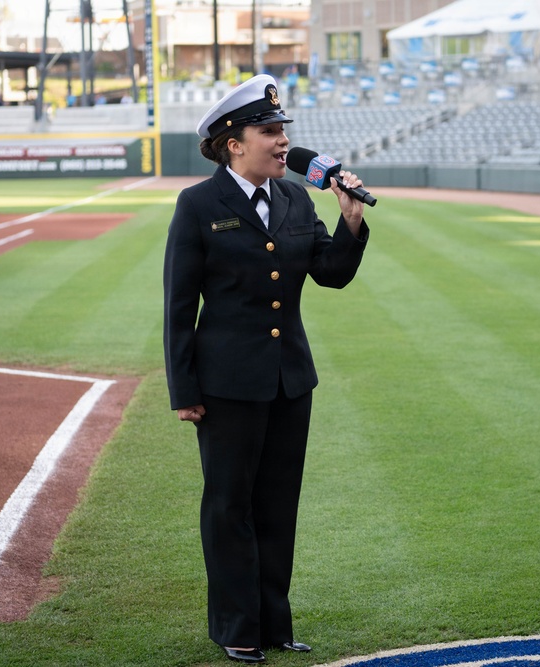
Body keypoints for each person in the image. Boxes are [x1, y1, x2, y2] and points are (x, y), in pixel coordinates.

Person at [162, 74, 370, 664]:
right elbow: (179, 305)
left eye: (283, 131)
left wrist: (351, 219)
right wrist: (184, 389)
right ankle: (238, 627)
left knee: (278, 505)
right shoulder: (199, 204)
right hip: (226, 385)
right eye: (270, 132)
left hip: (289, 381)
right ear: (234, 144)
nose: (284, 142)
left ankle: (275, 625)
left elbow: (331, 273)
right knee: (230, 506)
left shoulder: (296, 198)